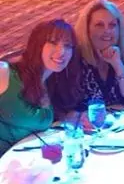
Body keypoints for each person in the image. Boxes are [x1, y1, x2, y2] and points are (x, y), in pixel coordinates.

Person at [0, 19, 79, 155]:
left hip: (22, 161)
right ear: (37, 45)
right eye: (53, 43)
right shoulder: (5, 73)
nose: (61, 52)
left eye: (67, 46)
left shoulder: (51, 82)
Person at [74, 0, 124, 110]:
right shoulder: (75, 60)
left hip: (119, 124)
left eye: (112, 25)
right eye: (99, 25)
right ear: (87, 30)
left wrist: (117, 65)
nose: (107, 30)